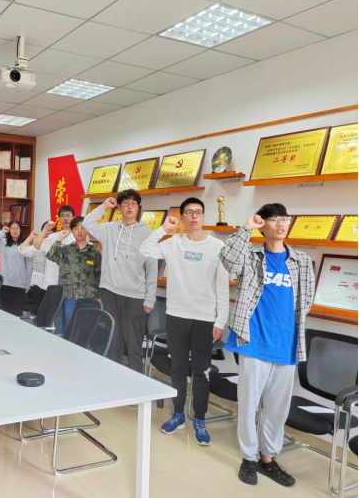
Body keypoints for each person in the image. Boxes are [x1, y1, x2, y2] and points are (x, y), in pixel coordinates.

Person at [220, 204, 314, 487]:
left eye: (284, 219)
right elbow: (227, 259)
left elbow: (306, 301)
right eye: (274, 220)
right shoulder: (251, 257)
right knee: (249, 404)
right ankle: (249, 458)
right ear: (263, 226)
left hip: (286, 345)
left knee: (277, 408)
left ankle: (268, 458)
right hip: (254, 342)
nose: (281, 224)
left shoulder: (301, 260)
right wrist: (246, 228)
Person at [139, 197, 229, 447]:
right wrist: (163, 229)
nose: (194, 216)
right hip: (177, 315)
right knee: (177, 369)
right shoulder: (173, 243)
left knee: (200, 372)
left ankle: (199, 419)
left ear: (203, 216)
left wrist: (220, 321)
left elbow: (222, 287)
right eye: (189, 212)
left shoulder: (217, 246)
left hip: (205, 319)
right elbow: (145, 250)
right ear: (182, 218)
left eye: (198, 212)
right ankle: (178, 415)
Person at [83, 190, 157, 372]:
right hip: (110, 291)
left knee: (134, 344)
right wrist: (103, 206)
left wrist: (150, 298)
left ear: (138, 208)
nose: (129, 206)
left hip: (135, 295)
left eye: (133, 203)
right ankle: (115, 379)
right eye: (125, 203)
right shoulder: (109, 229)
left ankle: (136, 382)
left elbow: (152, 267)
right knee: (113, 339)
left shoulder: (147, 232)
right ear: (119, 207)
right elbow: (87, 223)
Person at [21, 206, 76, 333]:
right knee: (56, 320)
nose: (66, 218)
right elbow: (37, 246)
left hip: (71, 286)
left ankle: (69, 343)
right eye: (62, 216)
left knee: (70, 319)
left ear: (73, 217)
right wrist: (45, 229)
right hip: (53, 284)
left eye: (68, 215)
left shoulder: (77, 237)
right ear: (59, 218)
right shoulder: (52, 237)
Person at [46, 217, 102, 327]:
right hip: (70, 297)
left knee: (86, 329)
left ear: (88, 230)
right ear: (72, 231)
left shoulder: (94, 252)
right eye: (76, 229)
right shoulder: (65, 250)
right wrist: (59, 238)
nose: (79, 231)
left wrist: (99, 297)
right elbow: (51, 255)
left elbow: (99, 275)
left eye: (83, 228)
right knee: (70, 328)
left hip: (89, 298)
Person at [0, 220, 32, 316]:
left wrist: (28, 285)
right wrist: (2, 232)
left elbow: (29, 266)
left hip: (20, 283)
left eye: (17, 228)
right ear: (9, 230)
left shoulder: (25, 245)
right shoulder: (3, 243)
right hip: (5, 283)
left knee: (17, 313)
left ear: (20, 230)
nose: (15, 230)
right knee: (6, 313)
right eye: (12, 228)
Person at [19, 222, 51, 314]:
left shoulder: (57, 247)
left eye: (50, 231)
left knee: (49, 312)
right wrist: (31, 237)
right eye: (45, 230)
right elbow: (22, 250)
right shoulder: (36, 247)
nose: (47, 233)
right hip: (38, 283)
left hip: (51, 284)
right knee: (38, 311)